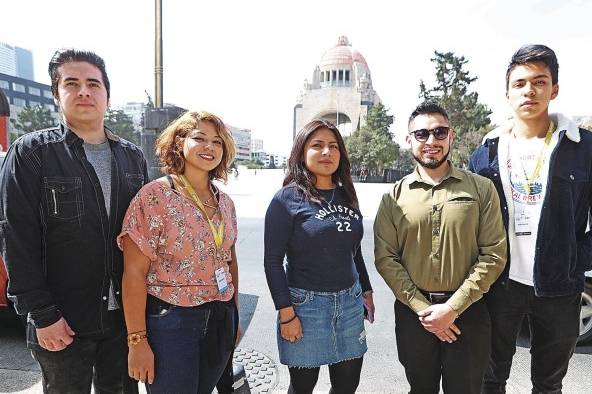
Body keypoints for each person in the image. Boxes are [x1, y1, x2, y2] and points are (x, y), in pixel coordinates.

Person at [0, 48, 147, 393]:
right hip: (63, 320)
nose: (84, 91)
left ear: (107, 96)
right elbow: (15, 238)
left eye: (93, 84)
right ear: (56, 94)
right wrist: (42, 315)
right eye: (72, 83)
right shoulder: (32, 152)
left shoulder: (132, 157)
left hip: (123, 319)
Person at [469, 44, 592, 394]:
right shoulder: (485, 153)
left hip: (560, 287)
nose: (529, 90)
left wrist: (575, 258)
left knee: (549, 383)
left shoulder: (582, 148)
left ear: (554, 89)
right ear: (507, 93)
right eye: (520, 83)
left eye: (539, 81)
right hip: (499, 284)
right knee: (489, 379)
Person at [374, 102, 507, 394]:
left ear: (451, 136)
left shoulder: (481, 189)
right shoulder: (392, 198)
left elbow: (494, 254)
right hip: (413, 315)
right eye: (421, 134)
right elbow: (386, 259)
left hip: (468, 314)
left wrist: (452, 308)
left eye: (439, 132)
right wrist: (426, 311)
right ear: (408, 140)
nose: (431, 141)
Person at [118, 110, 240, 393]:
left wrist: (234, 316)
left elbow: (229, 261)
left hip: (220, 316)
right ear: (178, 144)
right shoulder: (154, 196)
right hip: (172, 323)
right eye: (200, 138)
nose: (210, 147)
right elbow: (133, 273)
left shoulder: (226, 203)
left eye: (218, 141)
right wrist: (137, 341)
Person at [264, 119, 374, 394]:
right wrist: (287, 315)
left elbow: (354, 249)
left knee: (347, 386)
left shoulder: (347, 194)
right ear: (302, 152)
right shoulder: (286, 199)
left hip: (349, 304)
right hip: (305, 307)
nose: (327, 152)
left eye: (333, 146)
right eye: (317, 145)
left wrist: (367, 289)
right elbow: (273, 262)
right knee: (302, 388)